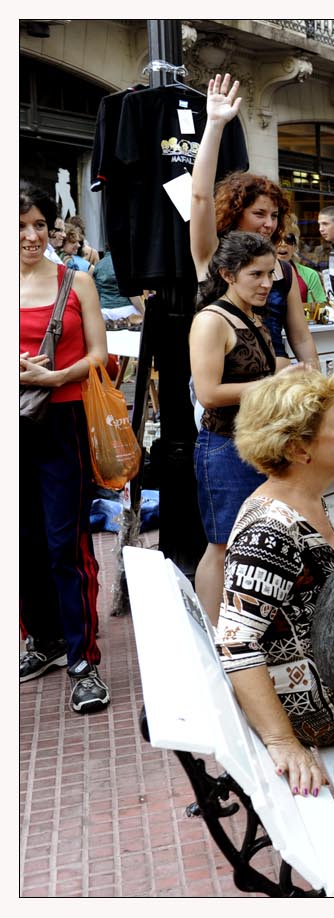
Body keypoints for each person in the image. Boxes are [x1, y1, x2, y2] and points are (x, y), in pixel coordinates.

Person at [214, 369, 334, 796]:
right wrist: (282, 741)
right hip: (324, 709)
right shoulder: (271, 530)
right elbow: (235, 643)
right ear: (299, 448)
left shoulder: (303, 498)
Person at [19, 182, 112, 713]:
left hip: (63, 422)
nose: (31, 236)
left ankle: (83, 659)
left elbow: (99, 356)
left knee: (65, 543)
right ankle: (46, 641)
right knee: (22, 542)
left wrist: (53, 377)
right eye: (22, 225)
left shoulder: (76, 282)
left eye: (40, 226)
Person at [192, 74, 318, 372]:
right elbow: (199, 198)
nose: (269, 224)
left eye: (274, 216)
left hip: (279, 387)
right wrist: (215, 124)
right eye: (259, 214)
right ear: (236, 212)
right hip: (229, 390)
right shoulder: (214, 256)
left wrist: (315, 382)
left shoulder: (283, 269)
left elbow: (300, 337)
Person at [188, 231, 282, 626]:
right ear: (227, 274)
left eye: (270, 274)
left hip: (256, 444)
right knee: (223, 545)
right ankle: (212, 637)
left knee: (255, 542)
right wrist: (275, 382)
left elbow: (265, 372)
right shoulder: (211, 321)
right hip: (224, 447)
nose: (266, 283)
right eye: (256, 275)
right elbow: (209, 393)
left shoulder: (253, 317)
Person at [91, 251, 144, 324]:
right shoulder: (125, 263)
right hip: (127, 311)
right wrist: (144, 312)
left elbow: (96, 294)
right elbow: (132, 295)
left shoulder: (98, 265)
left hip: (104, 311)